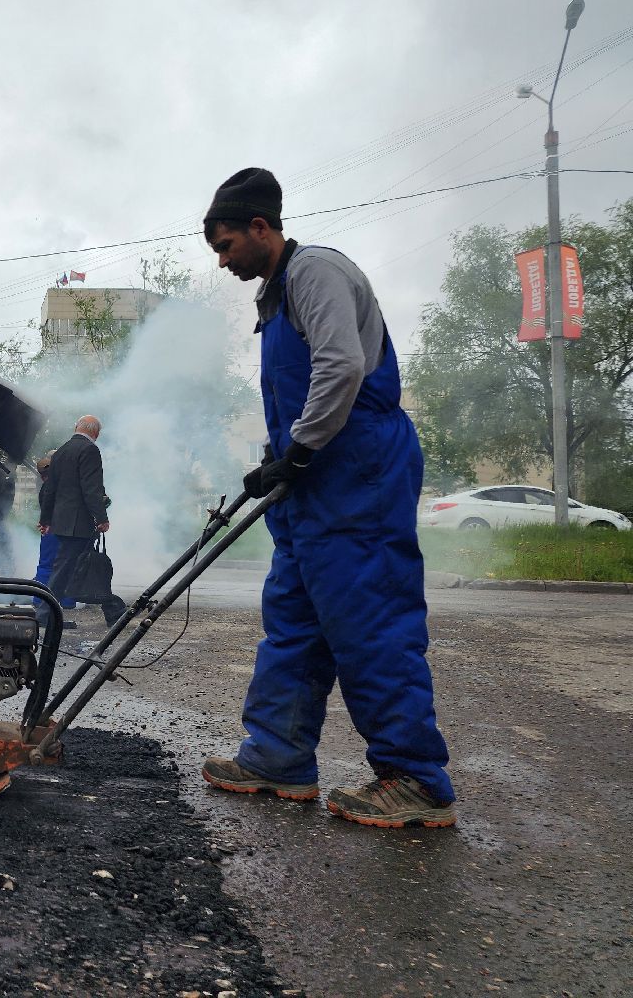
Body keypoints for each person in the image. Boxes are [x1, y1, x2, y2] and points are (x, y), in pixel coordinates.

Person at [199, 167, 456, 828]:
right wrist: (275, 458)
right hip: (313, 480)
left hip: (356, 469)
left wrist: (300, 450)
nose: (223, 262)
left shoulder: (315, 272)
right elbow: (299, 389)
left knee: (371, 619)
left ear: (261, 227)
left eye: (227, 246)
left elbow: (341, 366)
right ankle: (278, 757)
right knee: (293, 617)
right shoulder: (275, 295)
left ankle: (414, 780)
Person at [36, 415, 118, 632]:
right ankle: (44, 614)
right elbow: (91, 489)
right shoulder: (90, 450)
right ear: (96, 433)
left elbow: (50, 490)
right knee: (68, 569)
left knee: (75, 567)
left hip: (63, 522)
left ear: (76, 428)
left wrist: (46, 519)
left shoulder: (62, 450)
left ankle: (112, 609)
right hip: (78, 523)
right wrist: (101, 518)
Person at [32, 452, 77, 612]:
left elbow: (45, 509)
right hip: (68, 529)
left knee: (46, 565)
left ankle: (39, 599)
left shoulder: (47, 487)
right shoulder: (67, 484)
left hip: (51, 529)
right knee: (67, 564)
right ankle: (67, 600)